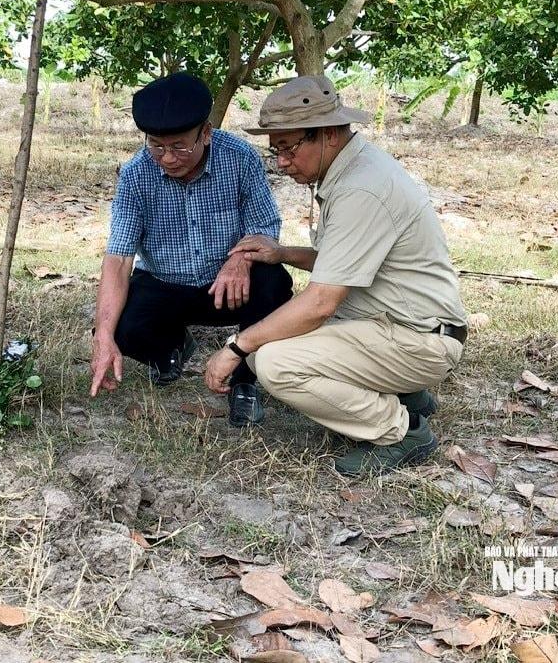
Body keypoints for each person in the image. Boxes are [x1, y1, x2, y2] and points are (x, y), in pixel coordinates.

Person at [203, 74, 467, 474]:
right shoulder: (354, 167)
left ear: (326, 134)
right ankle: (407, 394)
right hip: (396, 325)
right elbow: (341, 261)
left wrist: (236, 347)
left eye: (288, 149)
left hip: (418, 338)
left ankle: (401, 429)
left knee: (272, 361)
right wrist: (281, 253)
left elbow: (321, 302)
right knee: (269, 345)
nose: (281, 163)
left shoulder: (361, 189)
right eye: (274, 151)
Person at [90, 72, 293, 426]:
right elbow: (119, 259)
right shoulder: (137, 175)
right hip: (167, 285)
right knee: (119, 325)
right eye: (157, 145)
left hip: (229, 287)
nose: (168, 158)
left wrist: (240, 259)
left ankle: (246, 381)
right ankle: (170, 349)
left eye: (180, 146)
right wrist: (103, 336)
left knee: (274, 283)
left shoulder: (240, 158)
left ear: (206, 133)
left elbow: (265, 227)